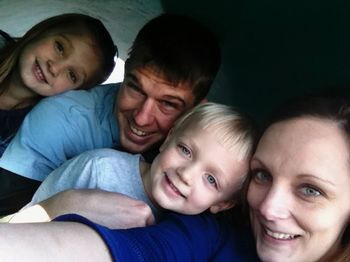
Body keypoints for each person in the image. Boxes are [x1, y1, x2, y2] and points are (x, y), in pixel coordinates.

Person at [1, 92, 349, 262]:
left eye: (310, 189)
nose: (268, 207)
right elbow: (141, 251)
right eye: (263, 175)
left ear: (224, 201)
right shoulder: (207, 235)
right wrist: (60, 205)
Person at [0, 13, 221, 216]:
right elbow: (9, 218)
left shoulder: (209, 159)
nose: (142, 118)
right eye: (135, 88)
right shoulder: (62, 118)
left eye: (167, 104)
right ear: (124, 74)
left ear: (196, 110)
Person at [12, 103, 256, 222]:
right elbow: (29, 217)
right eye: (185, 150)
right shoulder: (99, 168)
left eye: (211, 179)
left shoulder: (192, 231)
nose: (186, 174)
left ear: (223, 204)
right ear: (168, 139)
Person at [0, 13, 116, 156]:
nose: (54, 68)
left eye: (72, 75)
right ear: (41, 31)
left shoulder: (35, 131)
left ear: (74, 92)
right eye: (60, 47)